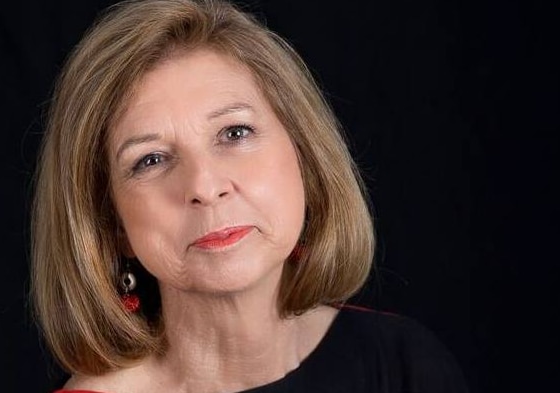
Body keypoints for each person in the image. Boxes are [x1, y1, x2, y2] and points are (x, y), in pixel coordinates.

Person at [31, 0, 469, 392]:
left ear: (305, 155)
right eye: (151, 160)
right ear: (112, 223)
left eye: (234, 133)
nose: (204, 186)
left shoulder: (404, 365)